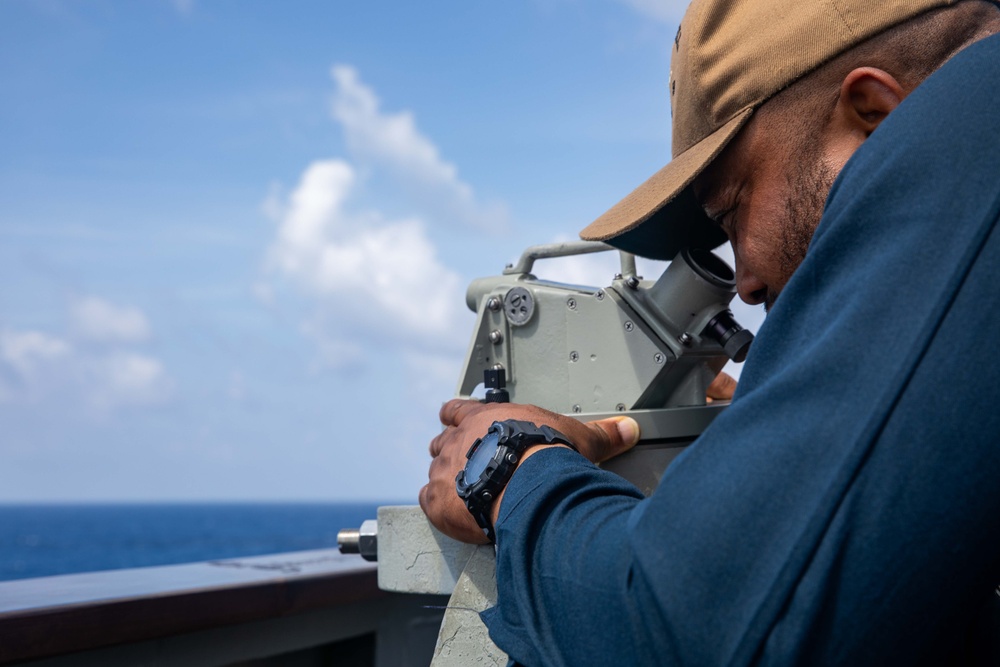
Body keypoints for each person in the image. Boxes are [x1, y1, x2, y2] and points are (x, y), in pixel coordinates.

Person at [420, 0, 1000, 664]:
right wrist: (776, 432)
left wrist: (511, 477)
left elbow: (710, 630)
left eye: (732, 211)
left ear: (874, 112)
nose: (746, 280)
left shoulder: (973, 130)